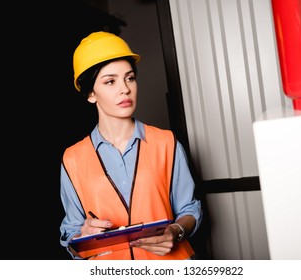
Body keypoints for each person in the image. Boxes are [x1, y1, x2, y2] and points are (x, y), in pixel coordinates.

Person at [59, 31, 203, 260]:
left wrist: (176, 231)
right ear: (90, 94)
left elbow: (189, 209)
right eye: (110, 81)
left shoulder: (166, 142)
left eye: (130, 77)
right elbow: (71, 232)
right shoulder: (73, 158)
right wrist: (82, 235)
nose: (125, 89)